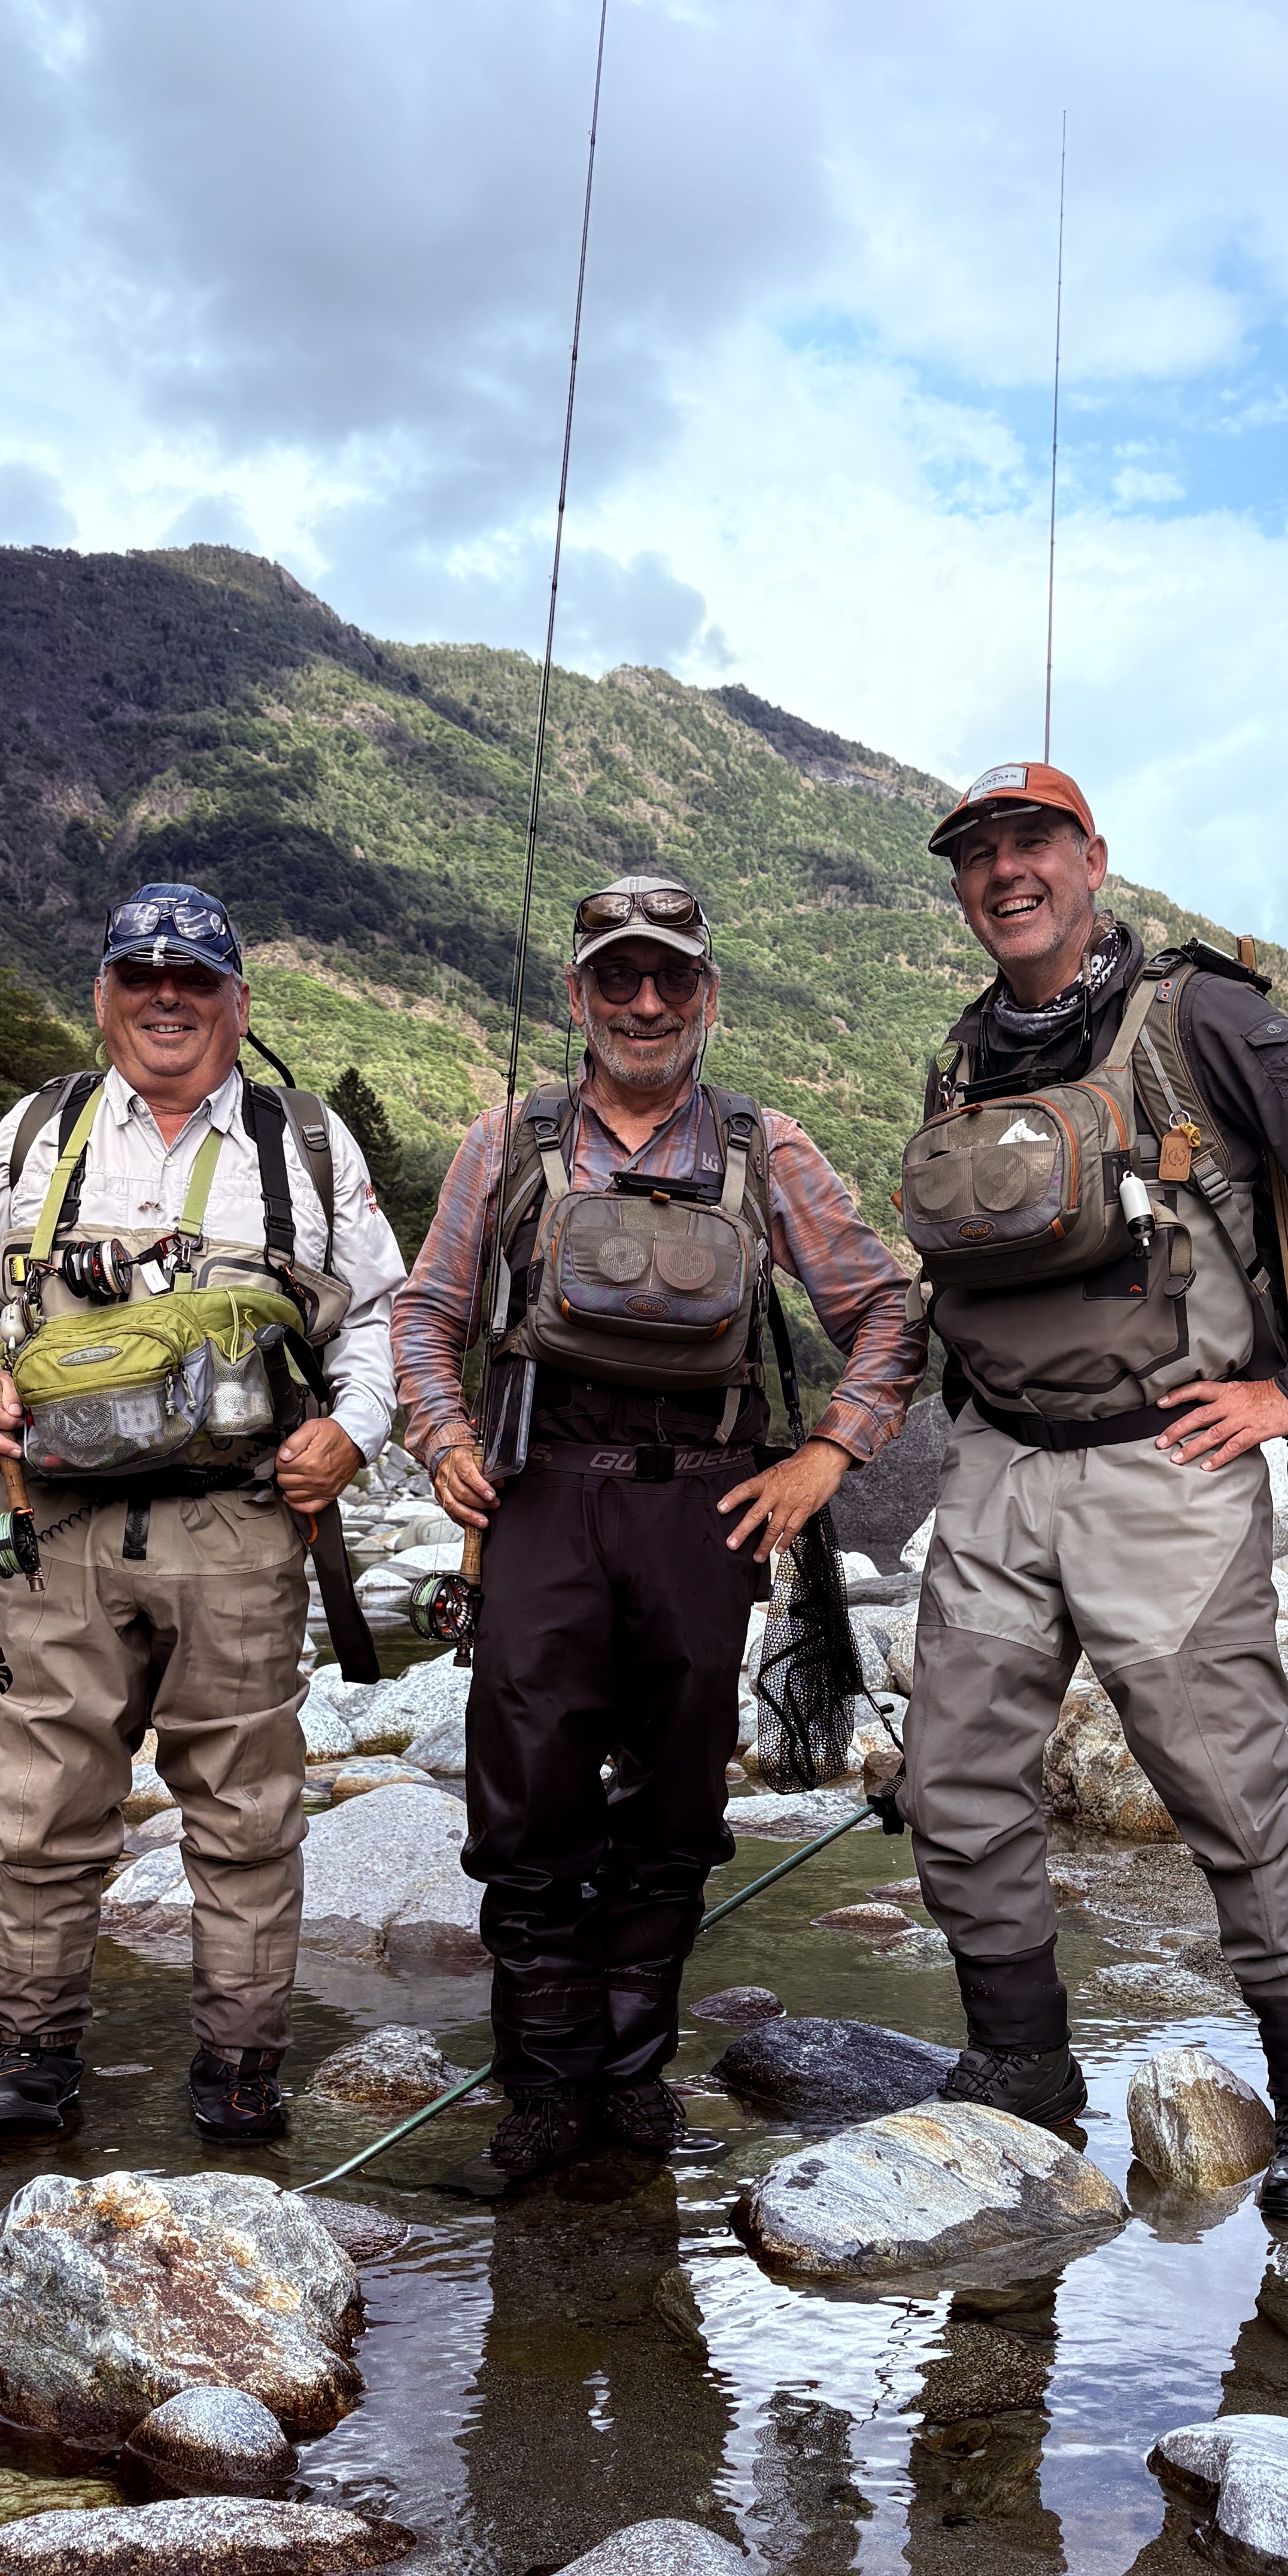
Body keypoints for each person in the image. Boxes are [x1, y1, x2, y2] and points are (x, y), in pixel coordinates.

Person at [897, 765, 1288, 2222]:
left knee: (1236, 1792)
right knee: (954, 1780)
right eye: (981, 855)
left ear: (1094, 862)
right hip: (999, 1466)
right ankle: (1021, 2064)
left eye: (1035, 846)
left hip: (1168, 1463)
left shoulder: (1204, 1021)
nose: (1008, 873)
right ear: (962, 886)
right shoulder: (962, 1058)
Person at [393, 872, 924, 2174]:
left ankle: (633, 2083)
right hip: (540, 1499)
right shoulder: (506, 1145)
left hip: (708, 1508)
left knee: (680, 1803)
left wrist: (826, 1457)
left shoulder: (765, 1149)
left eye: (670, 979)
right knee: (526, 1803)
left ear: (707, 996)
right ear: (578, 995)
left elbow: (887, 1311)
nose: (644, 1002)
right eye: (618, 979)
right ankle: (541, 2091)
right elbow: (422, 1314)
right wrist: (443, 1437)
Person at [0, 882, 404, 2143]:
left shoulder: (307, 1146)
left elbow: (386, 1318)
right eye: (141, 977)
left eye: (195, 979)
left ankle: (239, 2065)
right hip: (54, 1528)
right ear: (104, 1001)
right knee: (40, 1808)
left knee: (246, 1815)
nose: (167, 997)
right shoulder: (34, 1134)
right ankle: (31, 2053)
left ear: (239, 1007)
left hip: (239, 1523)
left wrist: (351, 1433)